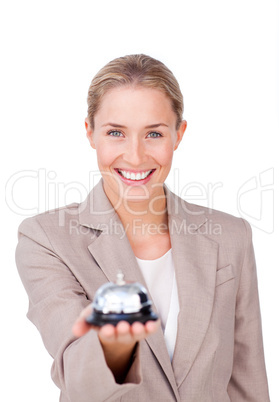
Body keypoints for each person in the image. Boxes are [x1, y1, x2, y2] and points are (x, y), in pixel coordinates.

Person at [16, 54, 270, 402]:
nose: (135, 157)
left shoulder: (231, 236)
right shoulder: (46, 239)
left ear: (178, 134)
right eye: (116, 132)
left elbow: (247, 380)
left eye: (153, 133)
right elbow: (78, 379)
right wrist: (113, 339)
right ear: (90, 132)